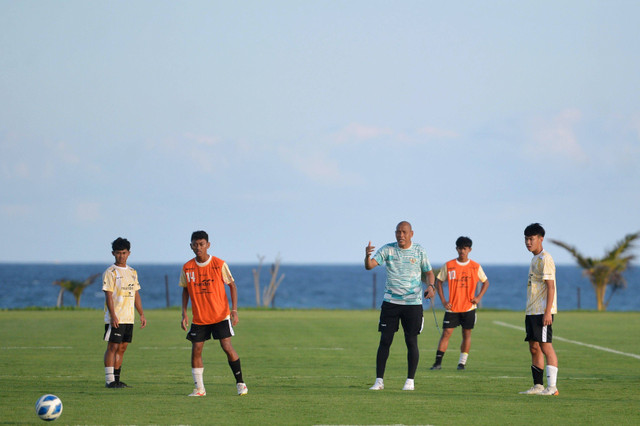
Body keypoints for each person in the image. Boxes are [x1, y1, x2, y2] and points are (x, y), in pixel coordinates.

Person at [365, 221, 435, 391]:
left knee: (411, 341)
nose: (400, 235)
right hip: (391, 303)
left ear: (411, 233)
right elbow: (370, 266)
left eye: (404, 232)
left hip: (412, 304)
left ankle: (410, 381)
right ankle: (379, 381)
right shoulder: (388, 249)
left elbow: (429, 273)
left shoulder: (419, 251)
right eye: (398, 232)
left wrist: (430, 287)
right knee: (385, 341)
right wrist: (367, 256)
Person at [180, 230, 248, 396]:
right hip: (200, 318)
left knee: (226, 346)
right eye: (195, 244)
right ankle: (199, 389)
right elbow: (185, 290)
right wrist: (184, 314)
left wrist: (234, 311)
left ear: (208, 245)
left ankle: (241, 383)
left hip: (220, 315)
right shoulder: (187, 267)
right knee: (196, 349)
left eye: (201, 244)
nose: (198, 247)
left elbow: (232, 285)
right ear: (191, 246)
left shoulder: (219, 264)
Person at [429, 236, 489, 371]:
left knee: (466, 334)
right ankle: (437, 363)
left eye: (465, 249)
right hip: (452, 308)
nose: (462, 251)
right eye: (460, 248)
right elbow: (439, 282)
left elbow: (486, 282)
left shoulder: (475, 266)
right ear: (456, 249)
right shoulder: (449, 265)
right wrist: (444, 301)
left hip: (469, 308)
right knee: (446, 333)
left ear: (470, 250)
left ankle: (462, 363)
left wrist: (478, 298)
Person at [519, 223, 559, 396]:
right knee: (534, 347)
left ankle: (552, 387)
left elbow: (551, 287)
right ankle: (538, 386)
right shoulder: (534, 258)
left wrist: (548, 311)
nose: (528, 242)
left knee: (546, 347)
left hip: (542, 311)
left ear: (541, 239)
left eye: (531, 239)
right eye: (526, 239)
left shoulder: (546, 259)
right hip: (531, 311)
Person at [103, 237, 146, 388]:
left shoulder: (133, 272)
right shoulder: (110, 272)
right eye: (118, 253)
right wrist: (113, 315)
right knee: (112, 347)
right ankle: (109, 381)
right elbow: (108, 295)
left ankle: (117, 379)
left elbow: (136, 294)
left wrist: (141, 313)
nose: (121, 256)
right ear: (113, 253)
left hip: (129, 318)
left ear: (129, 253)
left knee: (122, 348)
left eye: (124, 253)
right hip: (116, 317)